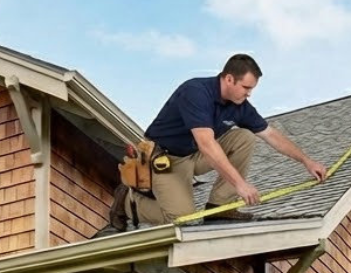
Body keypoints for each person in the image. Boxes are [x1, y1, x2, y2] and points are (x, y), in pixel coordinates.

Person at [138, 54, 327, 224]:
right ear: (229, 79)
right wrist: (240, 184)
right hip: (165, 159)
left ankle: (218, 207)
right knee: (183, 220)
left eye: (252, 89)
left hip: (193, 154)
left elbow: (271, 135)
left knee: (244, 137)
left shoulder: (240, 106)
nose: (249, 94)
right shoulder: (195, 92)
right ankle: (131, 204)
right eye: (246, 87)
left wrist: (307, 161)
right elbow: (206, 143)